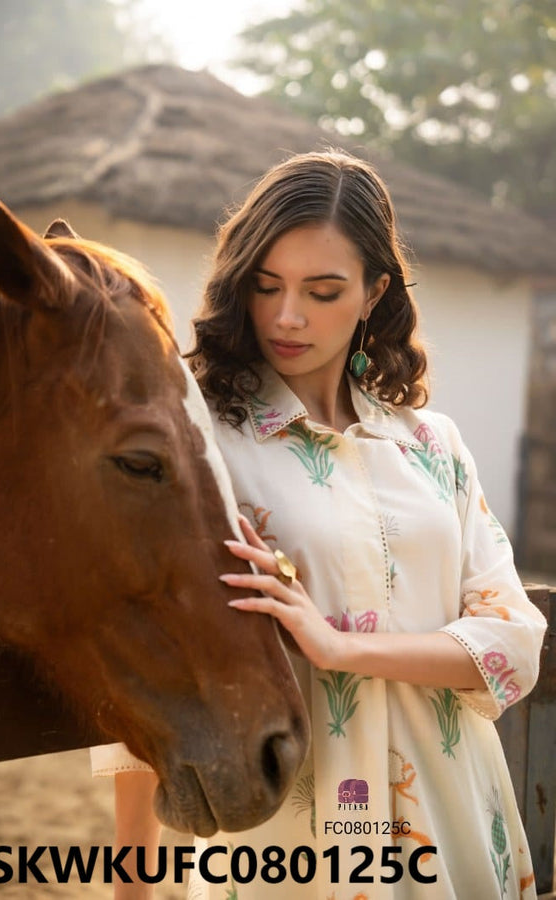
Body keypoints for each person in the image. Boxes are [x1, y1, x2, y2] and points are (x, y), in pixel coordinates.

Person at [91, 149, 547, 899]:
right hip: (296, 838)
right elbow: (147, 659)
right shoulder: (201, 445)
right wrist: (131, 890)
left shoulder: (434, 446)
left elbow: (515, 641)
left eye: (323, 291)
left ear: (374, 292)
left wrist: (339, 647)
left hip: (456, 812)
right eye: (265, 287)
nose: (287, 316)